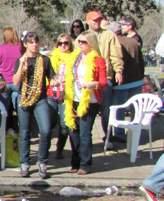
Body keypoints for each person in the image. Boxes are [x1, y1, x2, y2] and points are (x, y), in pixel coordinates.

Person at [13, 32, 57, 179]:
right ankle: (25, 163)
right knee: (24, 133)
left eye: (36, 42)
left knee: (45, 130)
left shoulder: (44, 60)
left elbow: (52, 78)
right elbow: (16, 82)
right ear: (25, 44)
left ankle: (42, 161)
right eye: (31, 42)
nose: (34, 45)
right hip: (24, 98)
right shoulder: (20, 60)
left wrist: (56, 82)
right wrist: (22, 64)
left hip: (40, 99)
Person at [63, 30, 107, 175]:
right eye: (79, 41)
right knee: (73, 132)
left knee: (85, 133)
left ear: (91, 43)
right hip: (73, 99)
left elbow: (103, 82)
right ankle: (75, 163)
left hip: (89, 101)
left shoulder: (97, 59)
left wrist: (93, 84)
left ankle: (85, 165)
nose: (80, 44)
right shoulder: (75, 57)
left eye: (84, 42)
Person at [84, 11, 123, 140]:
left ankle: (108, 137)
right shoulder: (83, 37)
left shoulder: (109, 35)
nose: (97, 22)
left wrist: (118, 71)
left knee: (106, 110)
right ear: (88, 21)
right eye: (94, 20)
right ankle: (85, 138)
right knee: (87, 109)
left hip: (105, 78)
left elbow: (115, 55)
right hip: (87, 79)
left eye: (99, 19)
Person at [109, 21, 146, 144]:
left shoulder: (115, 43)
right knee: (136, 109)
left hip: (121, 83)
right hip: (136, 81)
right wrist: (140, 76)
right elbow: (141, 62)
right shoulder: (134, 42)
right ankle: (135, 133)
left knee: (119, 109)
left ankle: (119, 134)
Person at [48, 33, 77, 159]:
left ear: (70, 44)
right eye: (60, 43)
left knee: (65, 124)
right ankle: (45, 150)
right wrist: (50, 80)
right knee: (49, 122)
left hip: (67, 94)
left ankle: (59, 150)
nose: (63, 45)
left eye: (66, 43)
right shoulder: (50, 57)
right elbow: (43, 74)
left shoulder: (75, 58)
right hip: (52, 93)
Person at [0, 28, 22, 126]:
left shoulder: (0, 49)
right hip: (18, 82)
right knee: (20, 109)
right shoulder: (22, 49)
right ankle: (21, 129)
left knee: (2, 109)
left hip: (4, 83)